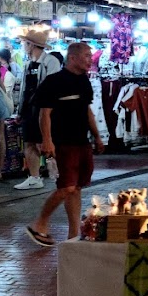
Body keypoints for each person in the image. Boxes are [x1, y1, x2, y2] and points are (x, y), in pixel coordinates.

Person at [25, 42, 103, 246]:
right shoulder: (54, 81)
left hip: (81, 141)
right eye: (86, 55)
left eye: (90, 56)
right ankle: (39, 224)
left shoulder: (84, 82)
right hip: (62, 142)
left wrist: (97, 135)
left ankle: (73, 234)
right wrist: (47, 140)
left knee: (76, 188)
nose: (90, 59)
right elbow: (45, 113)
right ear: (73, 58)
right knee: (66, 187)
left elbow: (87, 111)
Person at [15, 28, 62, 191]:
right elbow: (23, 90)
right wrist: (20, 111)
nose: (22, 46)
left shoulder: (51, 62)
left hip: (44, 110)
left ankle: (60, 174)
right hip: (29, 109)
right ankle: (34, 177)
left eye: (24, 43)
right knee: (29, 142)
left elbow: (54, 88)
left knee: (46, 143)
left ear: (31, 44)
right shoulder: (28, 64)